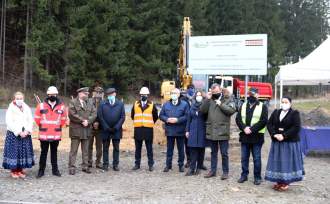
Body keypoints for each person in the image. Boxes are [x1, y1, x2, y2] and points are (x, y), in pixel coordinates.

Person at [265, 97, 304, 191]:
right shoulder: (276, 112)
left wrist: (284, 135)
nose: (283, 104)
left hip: (289, 142)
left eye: (286, 102)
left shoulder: (294, 113)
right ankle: (279, 181)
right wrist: (274, 134)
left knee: (287, 162)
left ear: (290, 103)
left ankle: (286, 182)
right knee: (278, 161)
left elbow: (296, 127)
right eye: (282, 102)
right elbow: (269, 124)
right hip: (277, 142)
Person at [200, 84, 236, 179]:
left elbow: (231, 111)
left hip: (222, 131)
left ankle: (225, 172)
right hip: (212, 130)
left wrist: (221, 104)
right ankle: (213, 171)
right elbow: (202, 110)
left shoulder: (228, 99)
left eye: (216, 92)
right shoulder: (210, 99)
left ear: (220, 90)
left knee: (224, 153)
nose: (215, 94)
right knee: (213, 153)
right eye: (213, 92)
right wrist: (207, 99)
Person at [235, 87, 268, 185]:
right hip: (245, 136)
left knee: (256, 158)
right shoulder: (243, 105)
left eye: (253, 94)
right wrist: (244, 128)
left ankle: (257, 177)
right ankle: (244, 175)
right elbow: (238, 119)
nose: (251, 96)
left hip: (257, 137)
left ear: (258, 95)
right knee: (244, 158)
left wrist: (251, 129)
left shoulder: (263, 106)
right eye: (250, 94)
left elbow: (263, 121)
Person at [34, 86, 68, 178]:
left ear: (56, 95)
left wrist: (55, 126)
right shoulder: (40, 106)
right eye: (50, 94)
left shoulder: (61, 106)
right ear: (48, 95)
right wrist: (45, 127)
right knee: (43, 152)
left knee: (54, 152)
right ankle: (41, 171)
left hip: (56, 134)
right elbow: (37, 119)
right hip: (44, 134)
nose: (52, 96)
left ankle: (55, 170)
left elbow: (63, 119)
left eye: (54, 94)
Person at [2, 92, 35, 178]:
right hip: (14, 134)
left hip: (25, 133)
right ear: (14, 99)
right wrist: (18, 132)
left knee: (22, 153)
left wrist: (27, 131)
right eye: (17, 98)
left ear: (23, 99)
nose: (19, 100)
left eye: (21, 98)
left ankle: (20, 170)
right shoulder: (11, 108)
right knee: (14, 152)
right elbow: (9, 122)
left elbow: (30, 120)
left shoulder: (26, 107)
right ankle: (14, 171)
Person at [159, 88, 189, 173]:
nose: (174, 94)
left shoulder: (184, 104)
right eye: (172, 93)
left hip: (180, 131)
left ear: (179, 95)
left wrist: (178, 120)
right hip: (170, 131)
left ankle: (181, 165)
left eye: (175, 93)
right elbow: (161, 115)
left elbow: (187, 116)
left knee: (181, 150)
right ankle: (168, 165)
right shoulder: (166, 104)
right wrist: (167, 119)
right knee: (169, 149)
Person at [68, 87, 97, 175]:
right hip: (76, 130)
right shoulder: (73, 102)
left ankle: (85, 166)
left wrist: (88, 121)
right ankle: (72, 167)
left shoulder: (90, 102)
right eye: (85, 94)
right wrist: (82, 121)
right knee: (73, 150)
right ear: (80, 93)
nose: (87, 95)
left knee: (86, 150)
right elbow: (72, 114)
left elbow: (94, 113)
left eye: (87, 94)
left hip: (87, 130)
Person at [131, 87, 158, 171]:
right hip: (138, 129)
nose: (143, 96)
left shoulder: (152, 105)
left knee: (149, 148)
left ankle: (150, 165)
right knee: (137, 149)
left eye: (145, 95)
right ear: (140, 95)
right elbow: (132, 115)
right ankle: (137, 164)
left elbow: (155, 116)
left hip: (148, 130)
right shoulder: (135, 104)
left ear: (147, 95)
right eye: (142, 94)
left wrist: (149, 122)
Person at [98, 88, 125, 171]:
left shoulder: (120, 104)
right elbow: (100, 116)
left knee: (116, 148)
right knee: (105, 148)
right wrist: (106, 127)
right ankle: (105, 164)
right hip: (105, 130)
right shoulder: (102, 103)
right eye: (109, 95)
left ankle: (115, 164)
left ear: (115, 94)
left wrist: (116, 127)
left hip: (116, 130)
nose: (110, 96)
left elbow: (122, 117)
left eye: (112, 94)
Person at [185, 90, 207, 176]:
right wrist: (187, 130)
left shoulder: (205, 106)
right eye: (197, 95)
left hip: (202, 129)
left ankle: (199, 167)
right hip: (193, 129)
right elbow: (188, 119)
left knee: (201, 149)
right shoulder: (192, 106)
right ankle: (192, 168)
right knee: (193, 149)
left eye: (200, 95)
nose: (198, 97)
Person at [88, 86, 104, 169]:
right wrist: (93, 122)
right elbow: (86, 113)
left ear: (102, 94)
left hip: (100, 128)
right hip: (90, 127)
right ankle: (89, 162)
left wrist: (99, 123)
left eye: (99, 92)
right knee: (88, 146)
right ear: (93, 93)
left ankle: (98, 162)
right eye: (96, 92)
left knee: (99, 147)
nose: (98, 94)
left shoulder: (104, 102)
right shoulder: (88, 101)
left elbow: (105, 115)